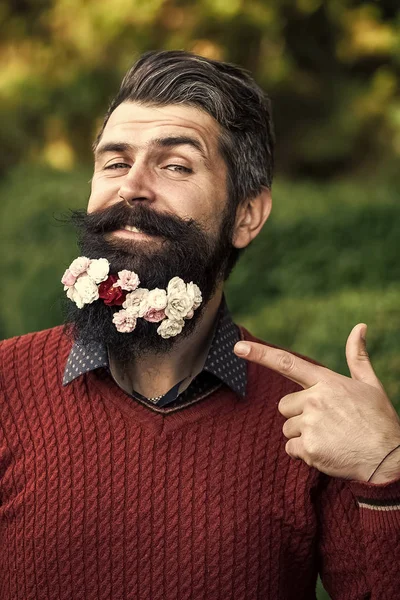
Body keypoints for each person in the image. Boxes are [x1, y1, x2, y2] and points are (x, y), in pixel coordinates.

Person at [1, 50, 399, 600]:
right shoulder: (5, 385)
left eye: (176, 165)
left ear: (246, 216)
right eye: (114, 162)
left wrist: (386, 475)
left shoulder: (312, 422)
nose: (132, 186)